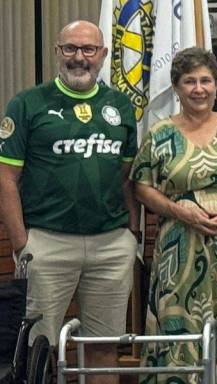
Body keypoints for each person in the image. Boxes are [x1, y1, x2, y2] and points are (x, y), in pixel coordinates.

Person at [0, 20, 138, 384]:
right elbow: (5, 178)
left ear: (103, 54)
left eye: (88, 49)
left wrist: (131, 234)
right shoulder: (28, 103)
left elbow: (126, 177)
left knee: (104, 348)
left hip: (111, 245)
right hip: (47, 243)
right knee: (36, 351)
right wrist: (22, 244)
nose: (79, 58)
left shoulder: (120, 105)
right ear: (57, 52)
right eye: (70, 49)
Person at [130, 47, 217, 384]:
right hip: (178, 247)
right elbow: (141, 187)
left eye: (206, 81)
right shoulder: (159, 133)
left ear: (216, 85)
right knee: (178, 322)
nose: (199, 89)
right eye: (190, 81)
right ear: (176, 87)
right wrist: (178, 211)